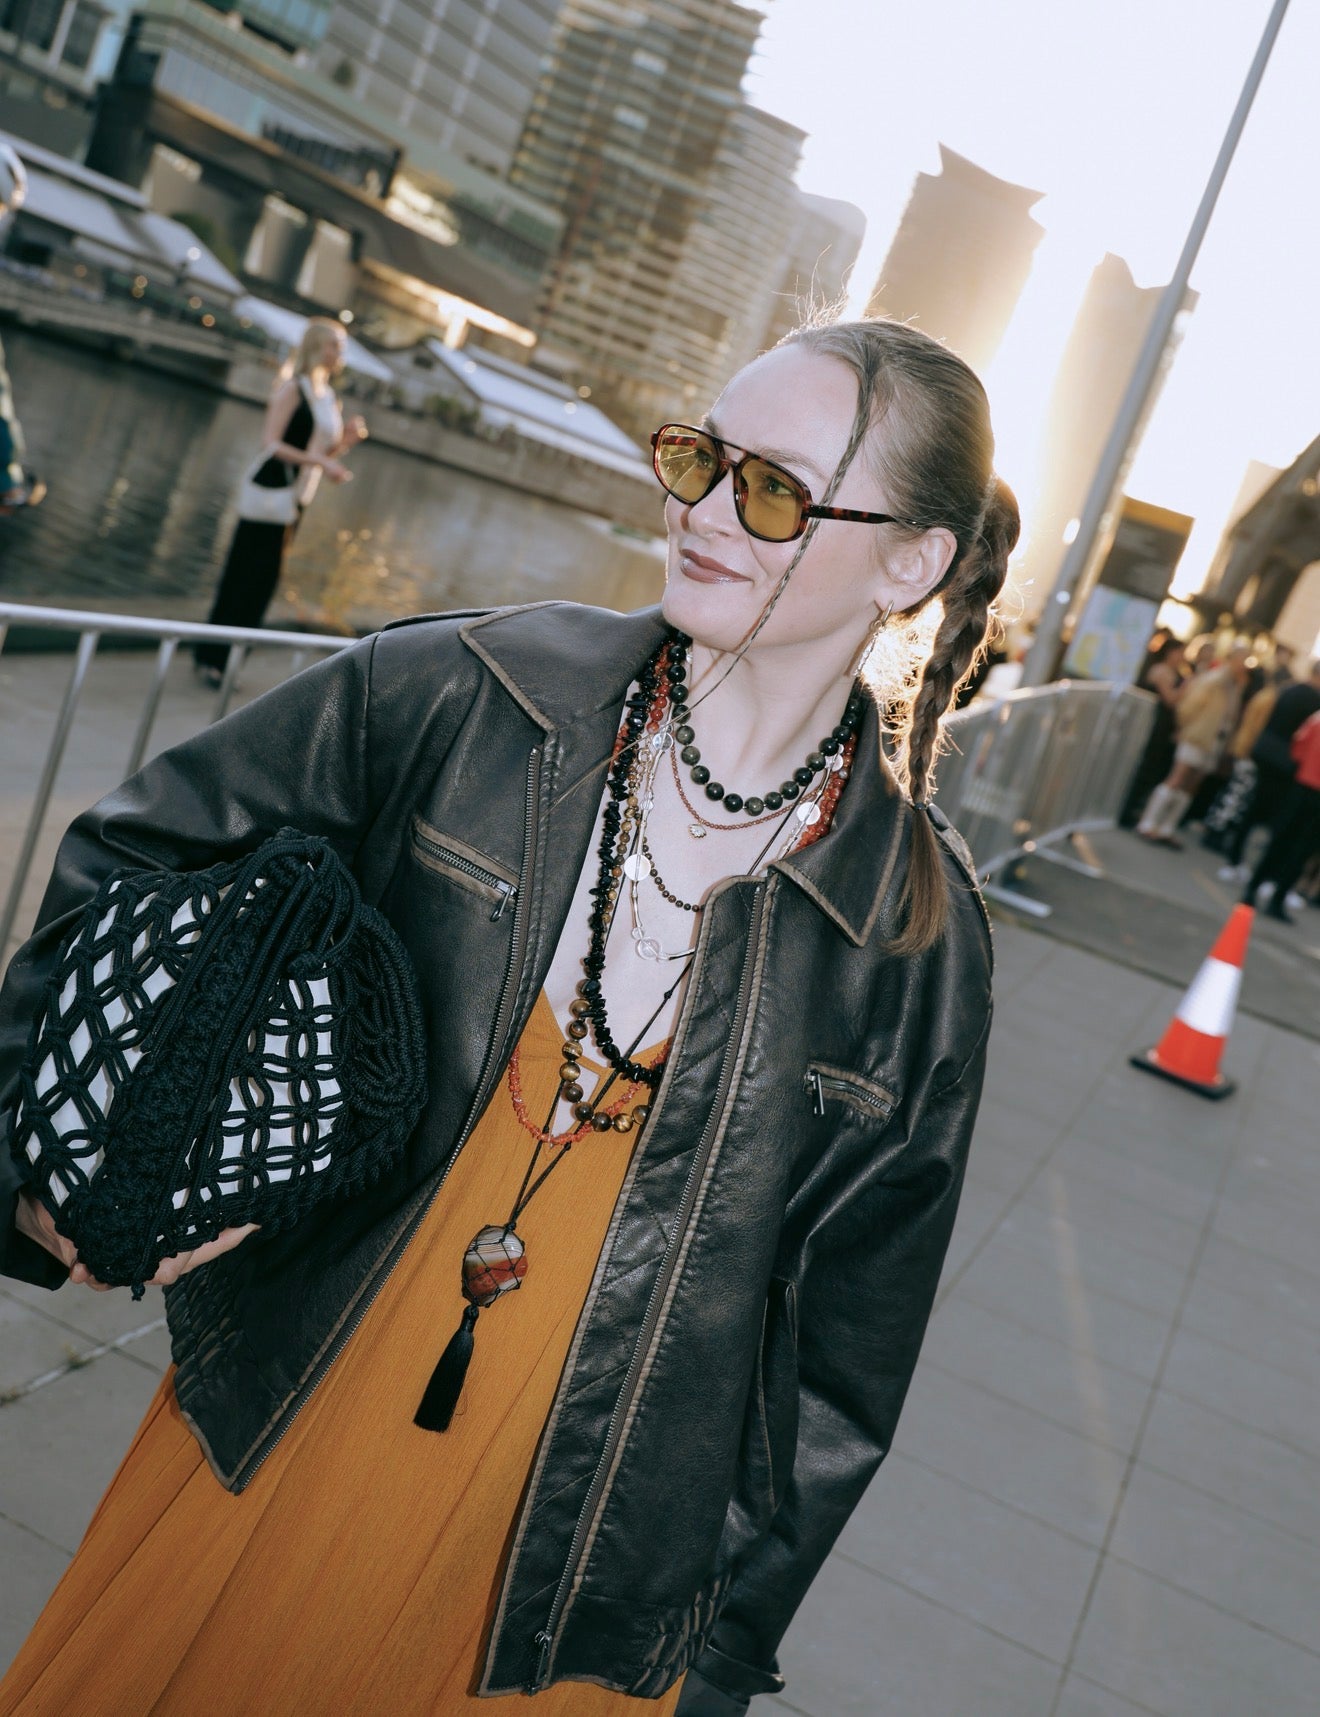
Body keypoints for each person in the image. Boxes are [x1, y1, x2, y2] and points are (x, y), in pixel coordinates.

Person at [0, 318, 1015, 1715]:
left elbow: (835, 1365)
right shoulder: (464, 691)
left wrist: (714, 1660)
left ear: (912, 561)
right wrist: (69, 1168)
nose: (705, 511)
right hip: (287, 1419)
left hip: (575, 1587)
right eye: (698, 458)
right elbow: (131, 866)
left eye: (773, 488)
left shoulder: (921, 946)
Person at [193, 317, 366, 683]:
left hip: (296, 499)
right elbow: (271, 443)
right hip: (273, 491)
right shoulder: (294, 388)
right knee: (245, 575)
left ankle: (227, 660)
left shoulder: (327, 396)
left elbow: (323, 449)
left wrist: (346, 440)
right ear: (317, 347)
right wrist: (321, 461)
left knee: (263, 582)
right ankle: (212, 658)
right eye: (335, 344)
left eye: (342, 346)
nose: (340, 353)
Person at [1135, 645, 1250, 847]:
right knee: (1177, 778)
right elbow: (1189, 707)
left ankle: (1166, 826)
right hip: (1198, 737)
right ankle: (1149, 822)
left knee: (1190, 786)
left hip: (1214, 741)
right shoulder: (1214, 681)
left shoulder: (1233, 686)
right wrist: (1186, 728)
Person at [1243, 707, 1320, 923]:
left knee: (1281, 841)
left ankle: (1254, 888)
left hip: (1300, 786)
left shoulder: (1316, 718)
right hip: (1311, 792)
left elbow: (1297, 748)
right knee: (1301, 850)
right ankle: (1277, 896)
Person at [1118, 635, 1187, 828]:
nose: (1182, 656)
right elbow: (1171, 699)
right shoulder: (1161, 671)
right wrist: (1186, 686)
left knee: (1152, 769)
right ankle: (1126, 810)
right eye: (1180, 652)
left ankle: (1133, 809)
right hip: (1154, 725)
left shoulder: (1174, 673)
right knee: (1144, 768)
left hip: (1164, 728)